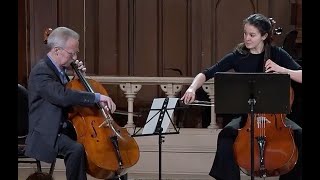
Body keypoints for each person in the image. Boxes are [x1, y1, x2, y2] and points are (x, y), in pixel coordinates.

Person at [181, 13, 302, 180]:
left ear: (264, 36)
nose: (247, 38)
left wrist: (283, 70)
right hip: (247, 116)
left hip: (275, 117)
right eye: (245, 33)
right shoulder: (238, 56)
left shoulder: (277, 54)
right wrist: (192, 89)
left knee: (299, 135)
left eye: (252, 35)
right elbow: (207, 73)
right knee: (226, 136)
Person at [24, 26, 126, 180]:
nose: (75, 57)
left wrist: (80, 79)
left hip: (66, 126)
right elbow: (62, 96)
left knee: (109, 145)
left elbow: (69, 93)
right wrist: (97, 97)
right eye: (72, 53)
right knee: (76, 149)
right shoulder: (41, 71)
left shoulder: (60, 70)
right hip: (47, 132)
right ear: (57, 50)